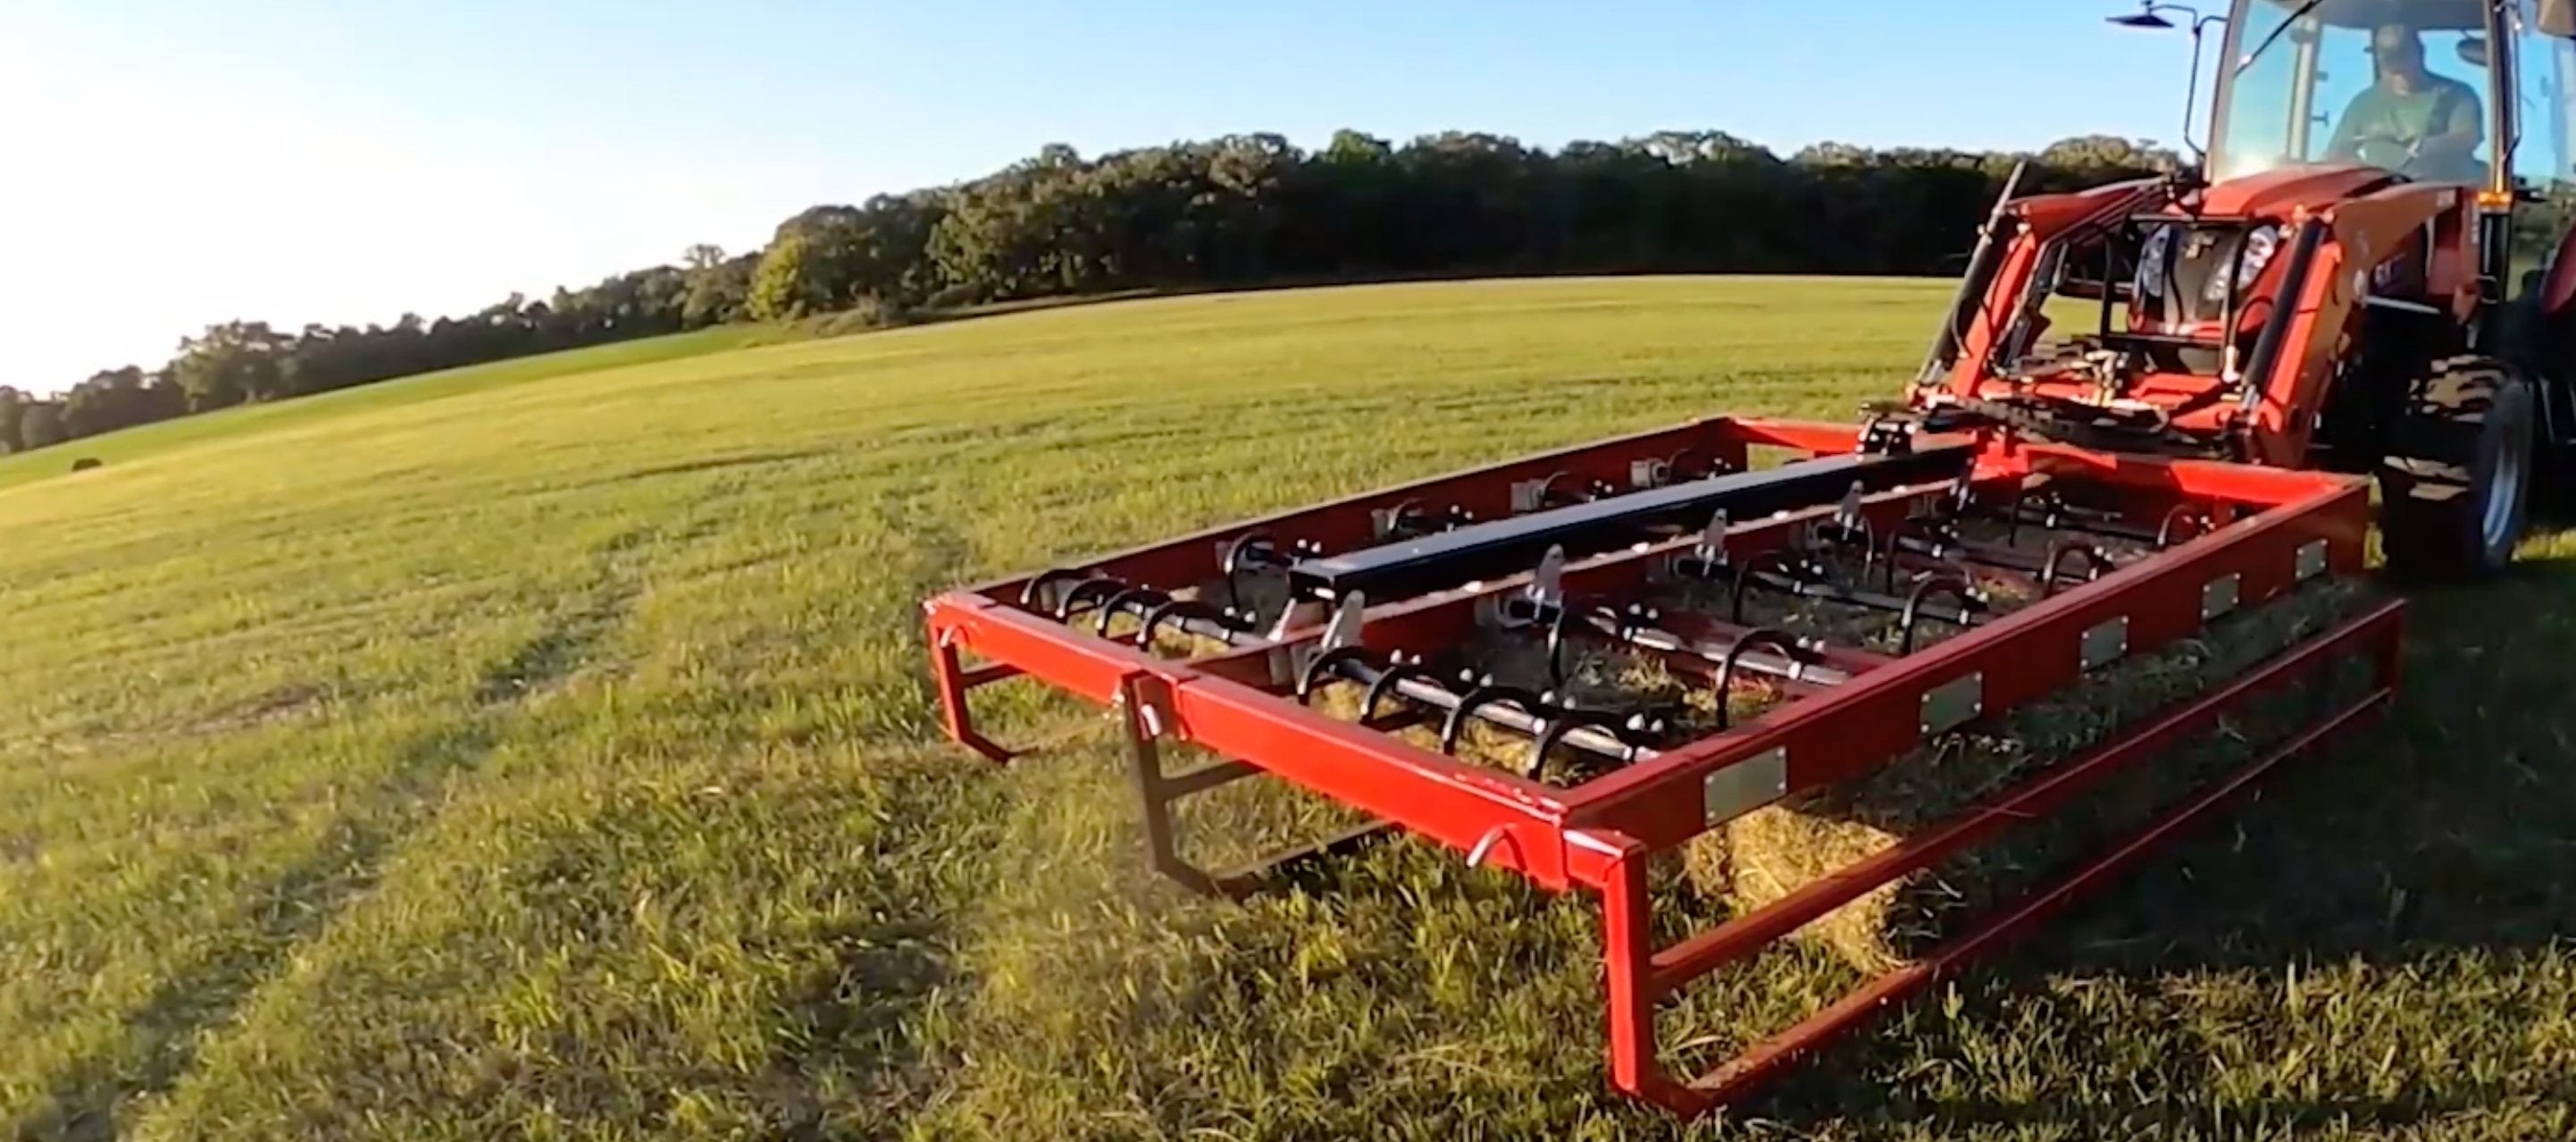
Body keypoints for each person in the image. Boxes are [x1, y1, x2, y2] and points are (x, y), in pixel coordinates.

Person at [2325, 22, 2485, 181]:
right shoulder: (2362, 104)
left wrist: (2429, 146)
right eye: (2390, 58)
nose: (2397, 64)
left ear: (2421, 52)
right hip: (2378, 196)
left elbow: (2469, 136)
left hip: (2445, 194)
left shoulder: (2455, 94)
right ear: (2379, 58)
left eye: (2403, 55)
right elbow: (2336, 154)